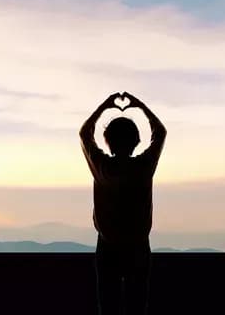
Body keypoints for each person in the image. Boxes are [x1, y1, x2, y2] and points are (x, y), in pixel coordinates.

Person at [79, 92, 167, 315]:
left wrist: (105, 106)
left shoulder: (102, 168)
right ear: (137, 140)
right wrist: (139, 106)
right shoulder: (144, 167)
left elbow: (84, 133)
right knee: (137, 307)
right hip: (138, 247)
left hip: (107, 247)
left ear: (107, 141)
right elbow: (160, 133)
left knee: (108, 307)